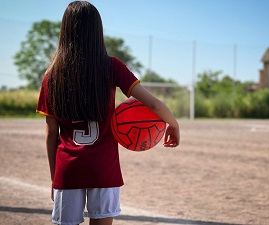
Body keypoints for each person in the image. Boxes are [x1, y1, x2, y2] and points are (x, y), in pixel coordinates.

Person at [36, 1, 180, 225]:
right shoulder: (112, 66)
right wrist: (173, 124)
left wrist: (55, 177)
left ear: (64, 31)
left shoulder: (52, 75)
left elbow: (51, 133)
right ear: (97, 30)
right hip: (104, 168)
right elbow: (154, 105)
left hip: (68, 168)